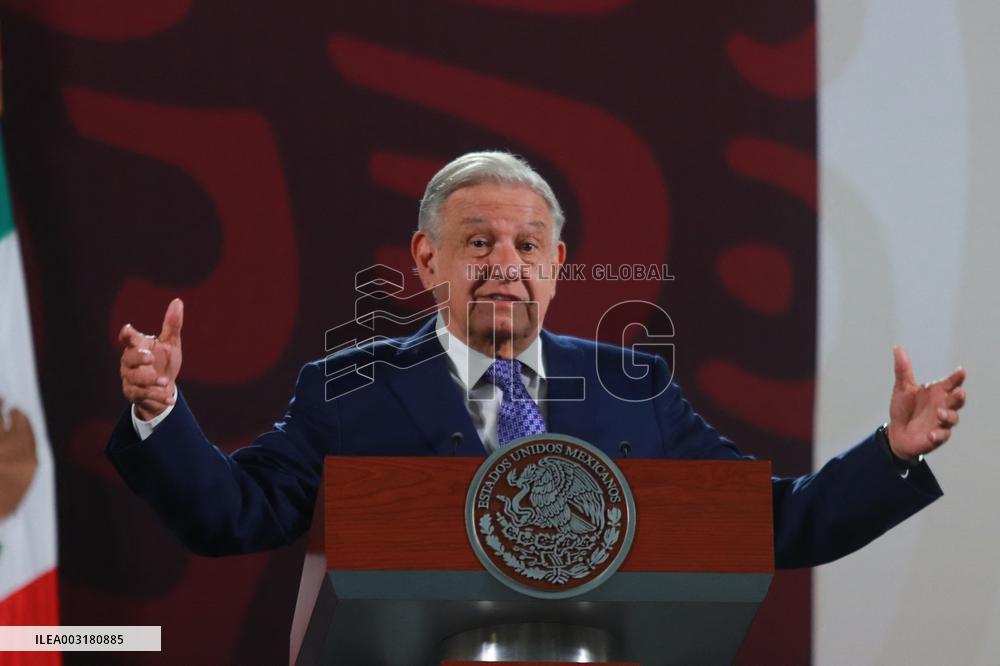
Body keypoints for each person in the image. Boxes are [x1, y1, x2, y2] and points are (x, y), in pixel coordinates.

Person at [107, 152, 967, 567]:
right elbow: (236, 516)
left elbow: (768, 524)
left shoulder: (633, 385)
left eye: (529, 243)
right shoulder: (347, 384)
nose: (505, 264)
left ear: (558, 266)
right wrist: (160, 411)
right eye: (477, 241)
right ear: (427, 260)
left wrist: (888, 455)